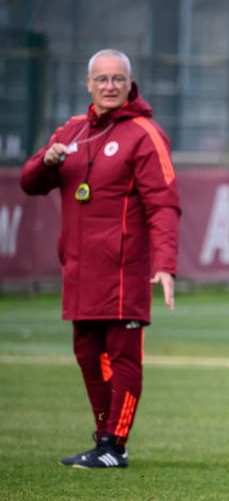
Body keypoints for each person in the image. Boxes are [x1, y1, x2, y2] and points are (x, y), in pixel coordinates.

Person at [20, 48, 181, 470]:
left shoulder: (145, 134)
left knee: (123, 357)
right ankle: (103, 439)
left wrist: (165, 264)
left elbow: (164, 205)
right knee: (89, 357)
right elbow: (30, 183)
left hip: (124, 272)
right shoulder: (71, 132)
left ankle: (116, 445)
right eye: (102, 79)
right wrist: (45, 159)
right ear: (88, 84)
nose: (110, 86)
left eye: (118, 79)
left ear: (130, 84)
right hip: (79, 271)